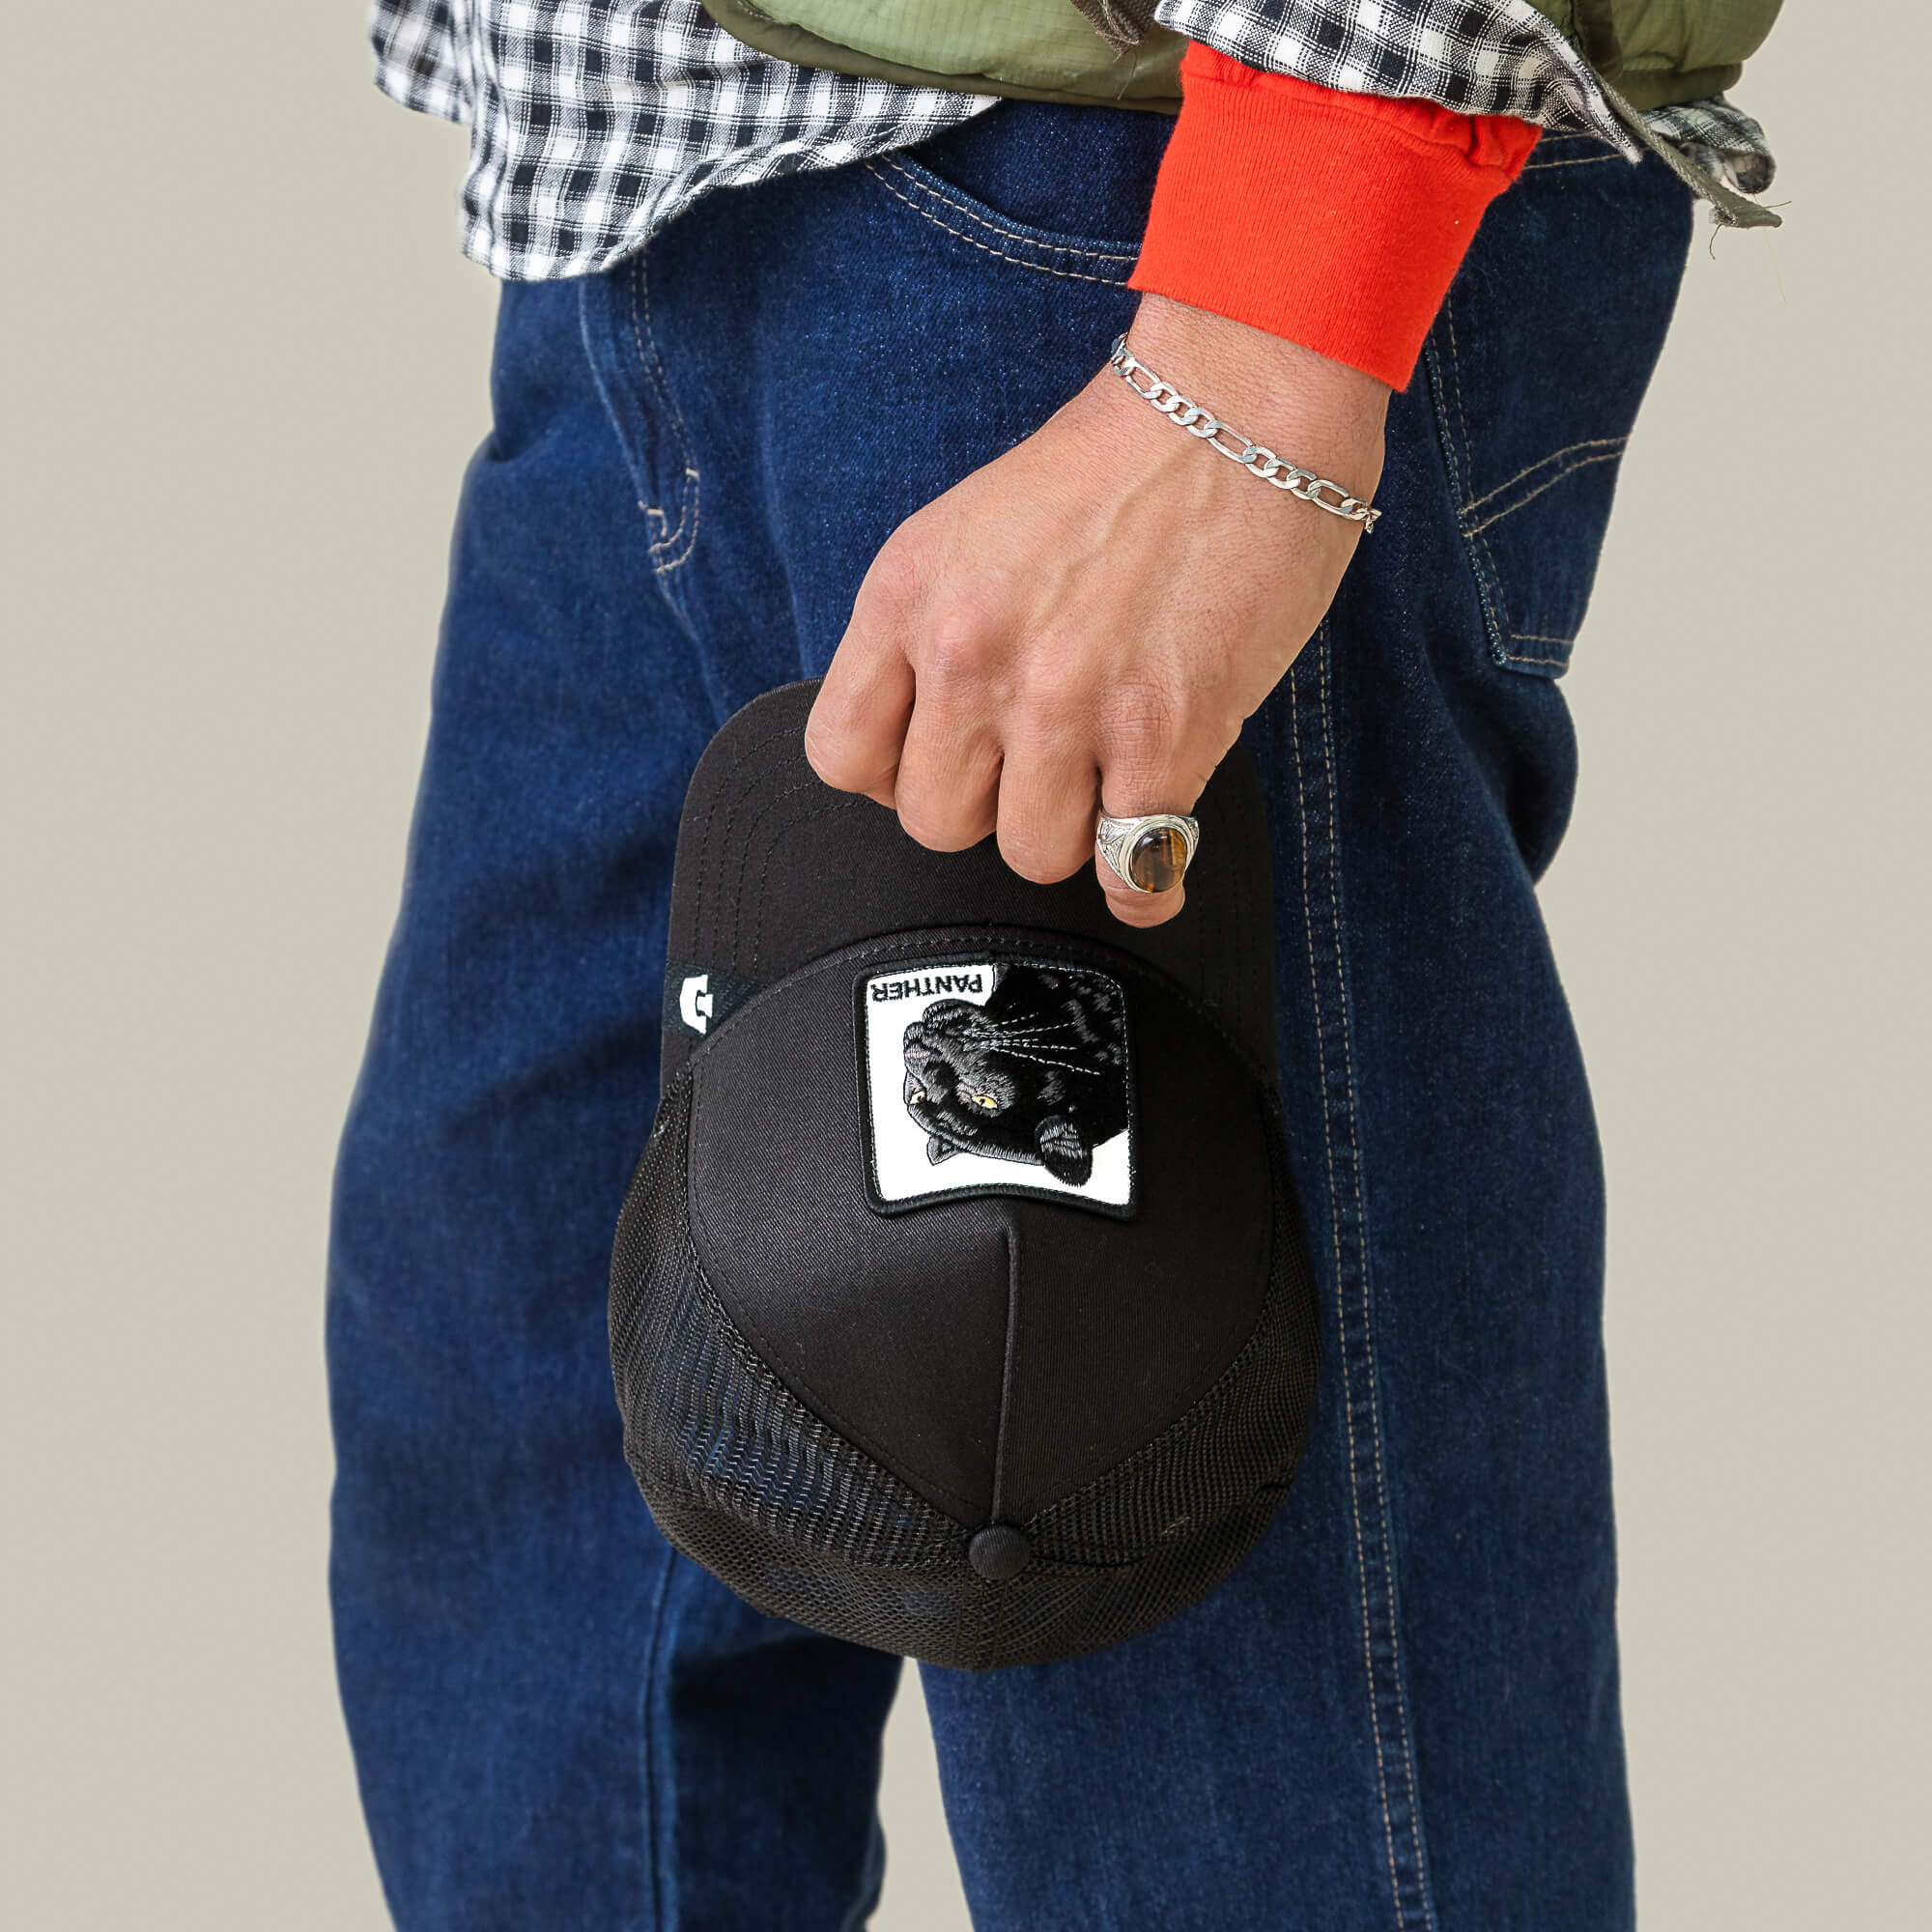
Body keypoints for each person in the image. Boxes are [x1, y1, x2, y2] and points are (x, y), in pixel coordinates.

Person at [328, 3, 1781, 1926]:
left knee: (1172, 1587)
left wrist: (1260, 355)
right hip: (661, 187)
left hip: (1119, 224)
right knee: (541, 1573)